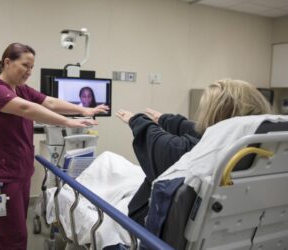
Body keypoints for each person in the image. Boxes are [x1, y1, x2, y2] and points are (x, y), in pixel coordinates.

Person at [0, 42, 109, 250]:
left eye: (32, 67)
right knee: (13, 236)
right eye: (25, 65)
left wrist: (83, 110)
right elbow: (27, 109)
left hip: (19, 171)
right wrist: (68, 122)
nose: (29, 71)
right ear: (7, 62)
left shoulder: (22, 89)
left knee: (9, 234)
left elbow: (51, 103)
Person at [115, 79, 272, 225]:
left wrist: (136, 121)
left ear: (216, 115)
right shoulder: (259, 149)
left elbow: (163, 147)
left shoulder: (197, 155)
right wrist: (166, 120)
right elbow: (203, 131)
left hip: (146, 220)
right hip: (238, 223)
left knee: (108, 161)